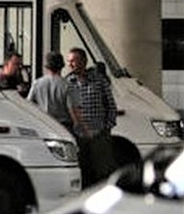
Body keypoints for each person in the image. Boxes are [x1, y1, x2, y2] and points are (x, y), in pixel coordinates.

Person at [66, 47, 118, 187]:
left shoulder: (99, 81)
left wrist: (106, 128)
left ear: (83, 61)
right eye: (68, 61)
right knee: (83, 173)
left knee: (103, 172)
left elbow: (111, 106)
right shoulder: (68, 82)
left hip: (99, 135)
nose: (70, 65)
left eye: (73, 61)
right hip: (79, 137)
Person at [27, 51, 87, 135]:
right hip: (63, 128)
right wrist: (81, 128)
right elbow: (73, 109)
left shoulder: (37, 83)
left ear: (47, 67)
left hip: (44, 126)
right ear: (62, 66)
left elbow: (29, 105)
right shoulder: (67, 85)